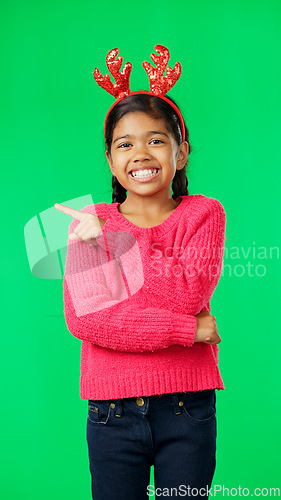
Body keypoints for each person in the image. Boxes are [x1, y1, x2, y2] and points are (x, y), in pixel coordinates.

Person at [55, 46, 227, 500]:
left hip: (186, 409)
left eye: (155, 139)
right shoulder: (89, 222)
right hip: (110, 413)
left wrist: (115, 248)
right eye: (125, 144)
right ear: (111, 160)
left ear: (181, 152)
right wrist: (187, 331)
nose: (141, 153)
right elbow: (88, 321)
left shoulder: (203, 214)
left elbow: (189, 291)